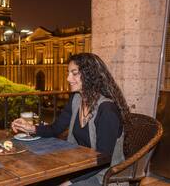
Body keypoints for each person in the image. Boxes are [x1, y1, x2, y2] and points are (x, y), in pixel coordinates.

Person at [12, 53, 130, 186]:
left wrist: (70, 181)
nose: (68, 78)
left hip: (104, 176)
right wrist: (30, 128)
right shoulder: (76, 100)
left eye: (74, 73)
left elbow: (103, 160)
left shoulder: (107, 109)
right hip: (79, 167)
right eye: (68, 73)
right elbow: (55, 129)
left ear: (90, 75)